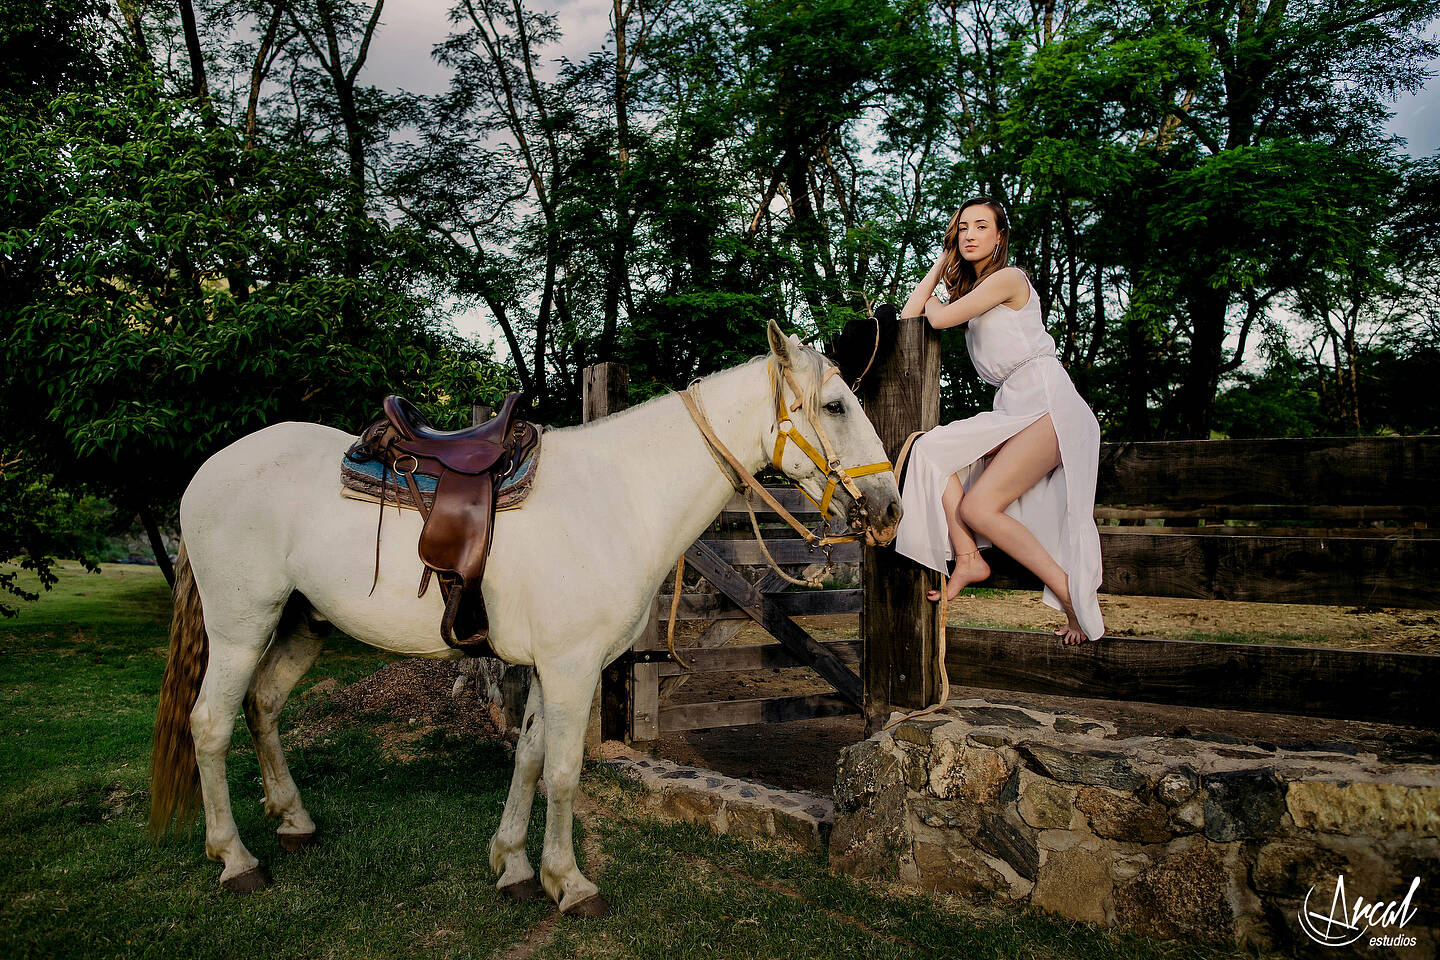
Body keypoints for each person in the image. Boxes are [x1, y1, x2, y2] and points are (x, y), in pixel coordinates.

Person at [893, 197, 1104, 644]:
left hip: (1046, 399)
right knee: (927, 451)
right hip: (1012, 404)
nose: (969, 234)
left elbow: (940, 317)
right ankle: (968, 556)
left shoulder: (1009, 278)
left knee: (978, 507)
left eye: (981, 226)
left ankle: (1073, 599)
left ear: (999, 236)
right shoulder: (971, 289)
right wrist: (940, 263)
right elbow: (908, 320)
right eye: (962, 227)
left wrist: (937, 303)